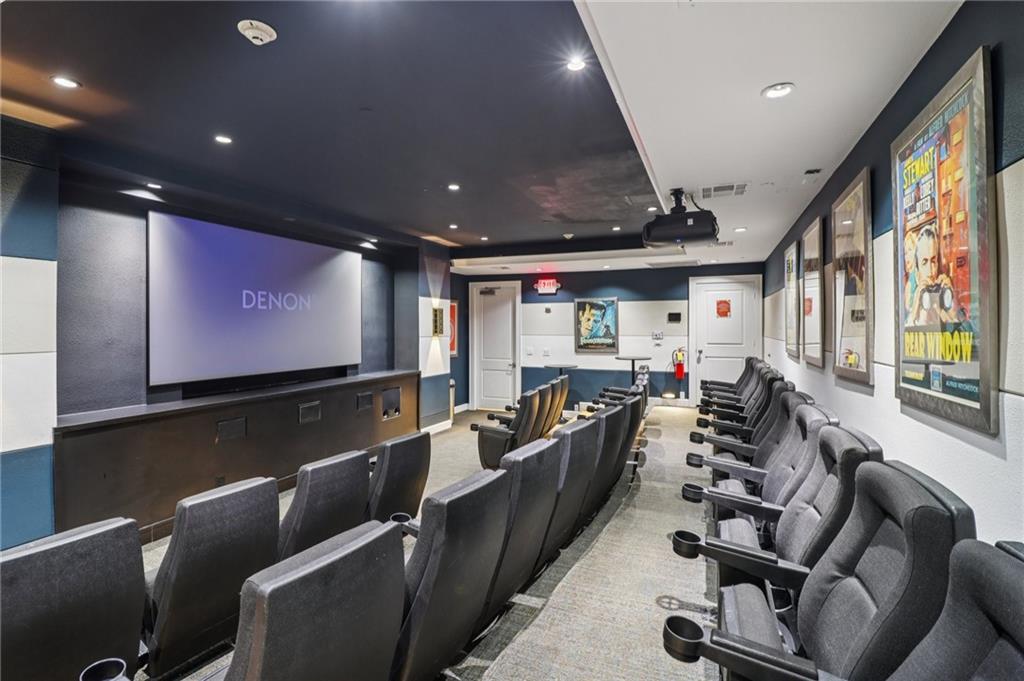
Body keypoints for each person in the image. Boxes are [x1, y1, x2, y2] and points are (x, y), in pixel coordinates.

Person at [906, 227, 957, 326]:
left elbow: (960, 331)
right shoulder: (915, 306)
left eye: (933, 261)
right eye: (924, 262)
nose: (930, 271)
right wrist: (915, 310)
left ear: (937, 264)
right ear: (917, 273)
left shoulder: (942, 294)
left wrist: (950, 305)